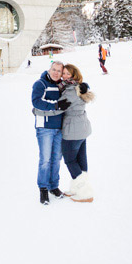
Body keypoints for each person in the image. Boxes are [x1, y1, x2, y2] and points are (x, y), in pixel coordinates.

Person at [31, 60, 67, 205]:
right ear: (49, 69)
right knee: (45, 159)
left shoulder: (61, 86)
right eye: (54, 69)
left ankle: (54, 186)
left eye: (59, 71)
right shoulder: (40, 84)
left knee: (56, 159)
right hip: (45, 128)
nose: (56, 73)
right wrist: (56, 105)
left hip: (59, 128)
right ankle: (43, 188)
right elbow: (36, 102)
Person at [57, 63, 95, 203]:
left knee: (70, 160)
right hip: (82, 128)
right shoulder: (77, 87)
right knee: (80, 160)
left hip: (73, 130)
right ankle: (76, 188)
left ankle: (85, 193)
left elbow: (58, 107)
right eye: (64, 73)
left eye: (68, 74)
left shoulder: (70, 90)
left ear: (74, 76)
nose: (64, 76)